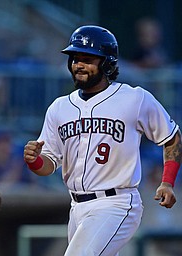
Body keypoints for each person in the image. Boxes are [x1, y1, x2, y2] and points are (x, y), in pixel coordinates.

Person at [23, 25, 182, 256]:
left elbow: (172, 137)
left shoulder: (134, 98)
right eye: (75, 58)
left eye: (87, 59)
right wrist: (35, 161)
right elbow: (49, 164)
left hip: (116, 203)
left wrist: (167, 181)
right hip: (76, 207)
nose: (79, 65)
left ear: (107, 63)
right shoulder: (59, 107)